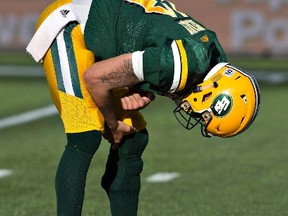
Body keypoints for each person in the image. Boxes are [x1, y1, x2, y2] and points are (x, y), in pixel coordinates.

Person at [26, 0, 260, 215]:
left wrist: (141, 88)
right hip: (72, 25)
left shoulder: (212, 58)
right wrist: (112, 122)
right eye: (206, 115)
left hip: (107, 34)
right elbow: (96, 78)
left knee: (133, 139)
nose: (198, 116)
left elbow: (153, 47)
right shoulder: (182, 64)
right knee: (85, 135)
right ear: (212, 94)